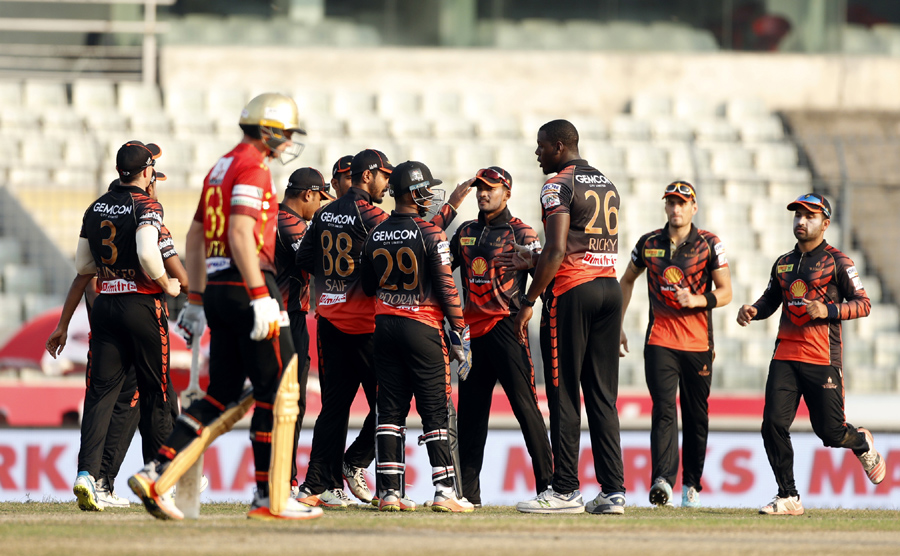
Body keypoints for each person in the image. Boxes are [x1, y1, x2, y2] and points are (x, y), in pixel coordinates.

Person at [129, 92, 322, 521]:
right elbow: (239, 234)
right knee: (282, 389)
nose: (289, 140)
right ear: (269, 131)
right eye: (286, 132)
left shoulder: (220, 166)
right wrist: (260, 297)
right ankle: (270, 496)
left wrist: (196, 300)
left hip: (217, 288)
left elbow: (196, 237)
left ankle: (156, 471)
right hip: (249, 283)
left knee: (221, 395)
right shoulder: (253, 166)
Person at [46, 142, 182, 512]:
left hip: (104, 304)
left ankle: (87, 475)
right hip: (142, 305)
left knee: (99, 395)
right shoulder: (147, 205)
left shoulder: (96, 206)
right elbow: (146, 252)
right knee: (157, 392)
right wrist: (167, 284)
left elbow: (83, 265)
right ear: (146, 171)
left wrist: (63, 323)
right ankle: (160, 479)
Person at [737, 193, 884, 516]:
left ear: (825, 224)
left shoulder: (838, 262)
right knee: (772, 424)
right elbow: (771, 299)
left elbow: (864, 303)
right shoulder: (783, 262)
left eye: (809, 216)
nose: (801, 221)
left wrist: (827, 308)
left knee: (830, 433)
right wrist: (753, 311)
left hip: (821, 359)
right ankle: (788, 496)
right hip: (785, 356)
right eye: (798, 215)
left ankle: (860, 442)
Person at [513, 119, 626, 515]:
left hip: (572, 291)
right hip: (609, 289)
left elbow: (559, 249)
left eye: (542, 146)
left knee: (563, 392)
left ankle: (564, 490)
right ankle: (613, 490)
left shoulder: (556, 184)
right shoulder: (606, 182)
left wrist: (530, 298)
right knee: (602, 394)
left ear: (559, 146)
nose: (537, 153)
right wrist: (538, 258)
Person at [360, 160, 473, 513]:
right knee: (435, 409)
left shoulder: (375, 233)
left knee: (389, 410)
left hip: (385, 327)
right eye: (426, 188)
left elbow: (366, 285)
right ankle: (445, 491)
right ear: (413, 192)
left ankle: (390, 493)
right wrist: (460, 331)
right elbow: (445, 286)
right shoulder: (432, 234)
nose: (430, 195)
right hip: (422, 328)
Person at [618, 180, 732, 508]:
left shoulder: (709, 244)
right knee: (664, 411)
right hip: (660, 341)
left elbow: (726, 293)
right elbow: (627, 279)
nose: (676, 208)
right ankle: (663, 482)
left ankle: (691, 485)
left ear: (694, 207)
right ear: (665, 206)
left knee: (696, 416)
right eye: (671, 202)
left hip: (698, 344)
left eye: (682, 203)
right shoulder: (649, 243)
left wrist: (697, 300)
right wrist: (620, 325)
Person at [294, 149, 394, 507]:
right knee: (390, 403)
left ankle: (316, 484)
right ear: (367, 175)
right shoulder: (375, 217)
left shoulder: (323, 213)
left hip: (330, 321)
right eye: (384, 175)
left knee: (334, 407)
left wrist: (333, 283)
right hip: (367, 325)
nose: (387, 182)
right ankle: (359, 466)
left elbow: (303, 258)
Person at [448, 166, 552, 508]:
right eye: (480, 188)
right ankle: (468, 496)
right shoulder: (465, 231)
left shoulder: (520, 231)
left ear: (507, 193)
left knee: (526, 410)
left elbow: (545, 274)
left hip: (507, 329)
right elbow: (438, 267)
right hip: (472, 336)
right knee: (471, 418)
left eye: (490, 188)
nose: (483, 193)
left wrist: (530, 297)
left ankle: (549, 489)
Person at [273, 167, 334, 498]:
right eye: (320, 198)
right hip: (286, 316)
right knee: (289, 400)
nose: (321, 206)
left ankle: (281, 477)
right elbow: (319, 263)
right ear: (308, 194)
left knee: (282, 399)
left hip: (279, 314)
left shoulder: (277, 219)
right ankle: (282, 479)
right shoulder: (291, 224)